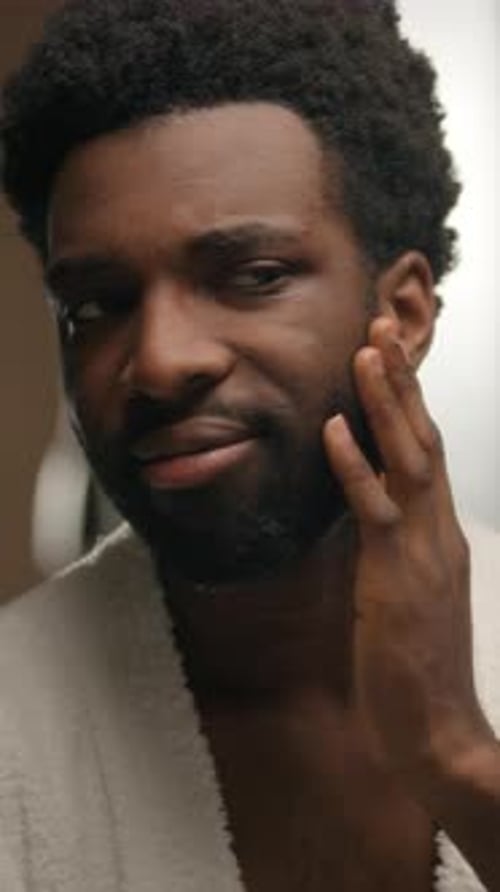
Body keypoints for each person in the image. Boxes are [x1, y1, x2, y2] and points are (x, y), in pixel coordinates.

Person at [0, 1, 499, 889]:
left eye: (252, 276)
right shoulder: (18, 725)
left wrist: (455, 754)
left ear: (405, 314)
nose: (157, 361)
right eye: (97, 305)